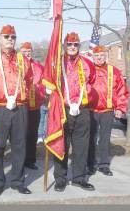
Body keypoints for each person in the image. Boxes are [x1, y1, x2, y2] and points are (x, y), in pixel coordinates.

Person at [51, 32, 96, 192]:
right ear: (64, 45)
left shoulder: (87, 64)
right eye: (69, 44)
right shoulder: (56, 64)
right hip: (62, 109)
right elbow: (48, 81)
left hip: (82, 110)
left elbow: (92, 82)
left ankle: (79, 178)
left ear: (79, 46)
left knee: (81, 146)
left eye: (75, 44)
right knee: (61, 144)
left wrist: (84, 98)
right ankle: (60, 179)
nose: (72, 47)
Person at [0, 25, 32, 196]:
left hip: (19, 107)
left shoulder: (23, 59)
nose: (10, 40)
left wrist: (21, 96)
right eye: (6, 36)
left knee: (19, 145)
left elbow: (29, 82)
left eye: (13, 37)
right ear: (0, 38)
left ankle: (17, 180)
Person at [87, 45, 128, 176]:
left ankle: (104, 164)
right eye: (96, 56)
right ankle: (90, 164)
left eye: (101, 55)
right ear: (92, 56)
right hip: (90, 110)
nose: (99, 58)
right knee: (90, 139)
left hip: (107, 111)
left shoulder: (114, 71)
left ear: (106, 56)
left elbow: (122, 90)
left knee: (105, 138)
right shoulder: (87, 70)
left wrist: (121, 108)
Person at [20, 42, 45, 170]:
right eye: (24, 51)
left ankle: (30, 160)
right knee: (20, 135)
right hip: (21, 107)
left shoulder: (39, 68)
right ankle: (20, 160)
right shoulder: (17, 66)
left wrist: (38, 93)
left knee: (32, 134)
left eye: (28, 51)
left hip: (34, 107)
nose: (26, 54)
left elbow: (43, 84)